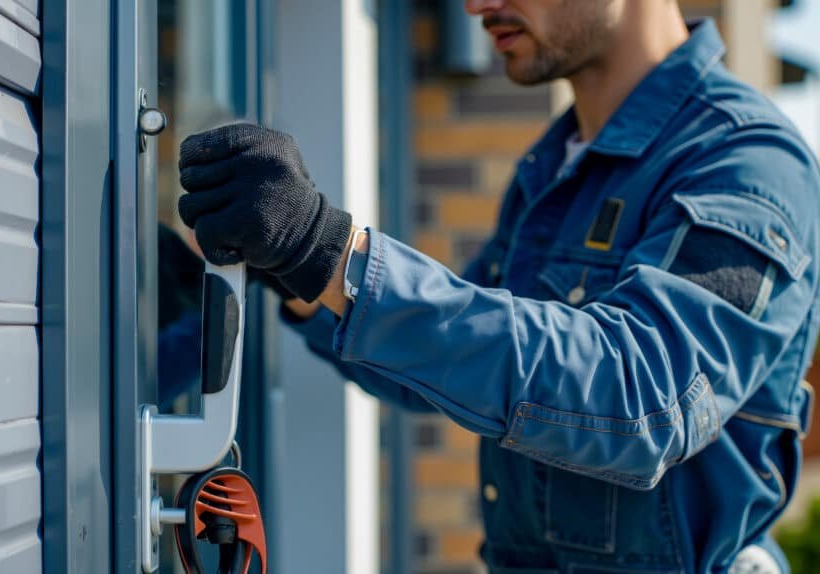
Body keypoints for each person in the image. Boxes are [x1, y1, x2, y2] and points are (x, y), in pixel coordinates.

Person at [174, 0, 820, 571]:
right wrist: (294, 273)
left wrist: (329, 251)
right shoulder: (557, 161)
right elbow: (446, 367)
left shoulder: (746, 163)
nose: (477, 6)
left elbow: (641, 396)